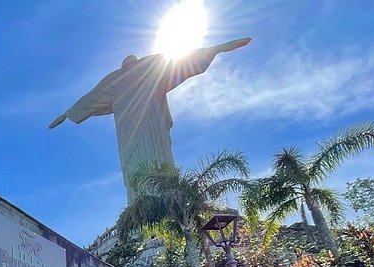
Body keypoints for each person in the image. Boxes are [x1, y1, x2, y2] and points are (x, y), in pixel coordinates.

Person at [49, 38, 251, 204]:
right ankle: (145, 212)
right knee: (141, 169)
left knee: (157, 166)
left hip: (148, 129)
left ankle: (159, 209)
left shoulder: (124, 76)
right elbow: (184, 62)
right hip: (132, 133)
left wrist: (67, 113)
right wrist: (217, 48)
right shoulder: (149, 67)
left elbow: (90, 99)